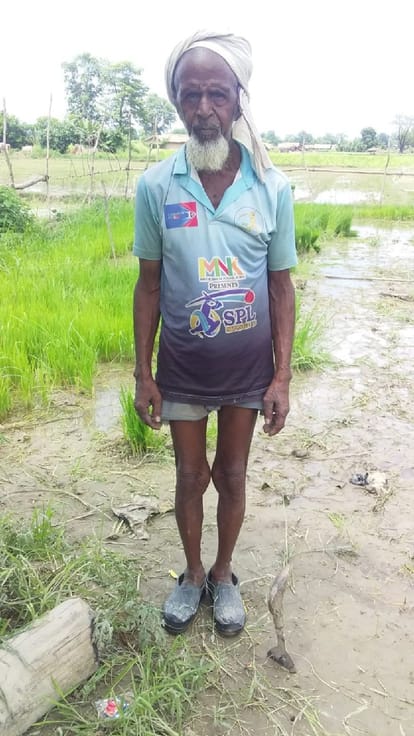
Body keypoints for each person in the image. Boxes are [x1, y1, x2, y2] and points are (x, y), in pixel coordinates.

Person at [133, 30, 297, 637]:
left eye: (217, 95)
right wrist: (143, 373)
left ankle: (224, 573)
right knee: (188, 476)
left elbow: (281, 288)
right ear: (176, 100)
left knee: (231, 474)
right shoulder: (157, 186)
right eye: (190, 95)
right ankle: (193, 574)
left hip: (248, 372)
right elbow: (149, 285)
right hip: (181, 369)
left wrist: (281, 377)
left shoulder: (271, 187)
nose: (204, 109)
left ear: (238, 100)